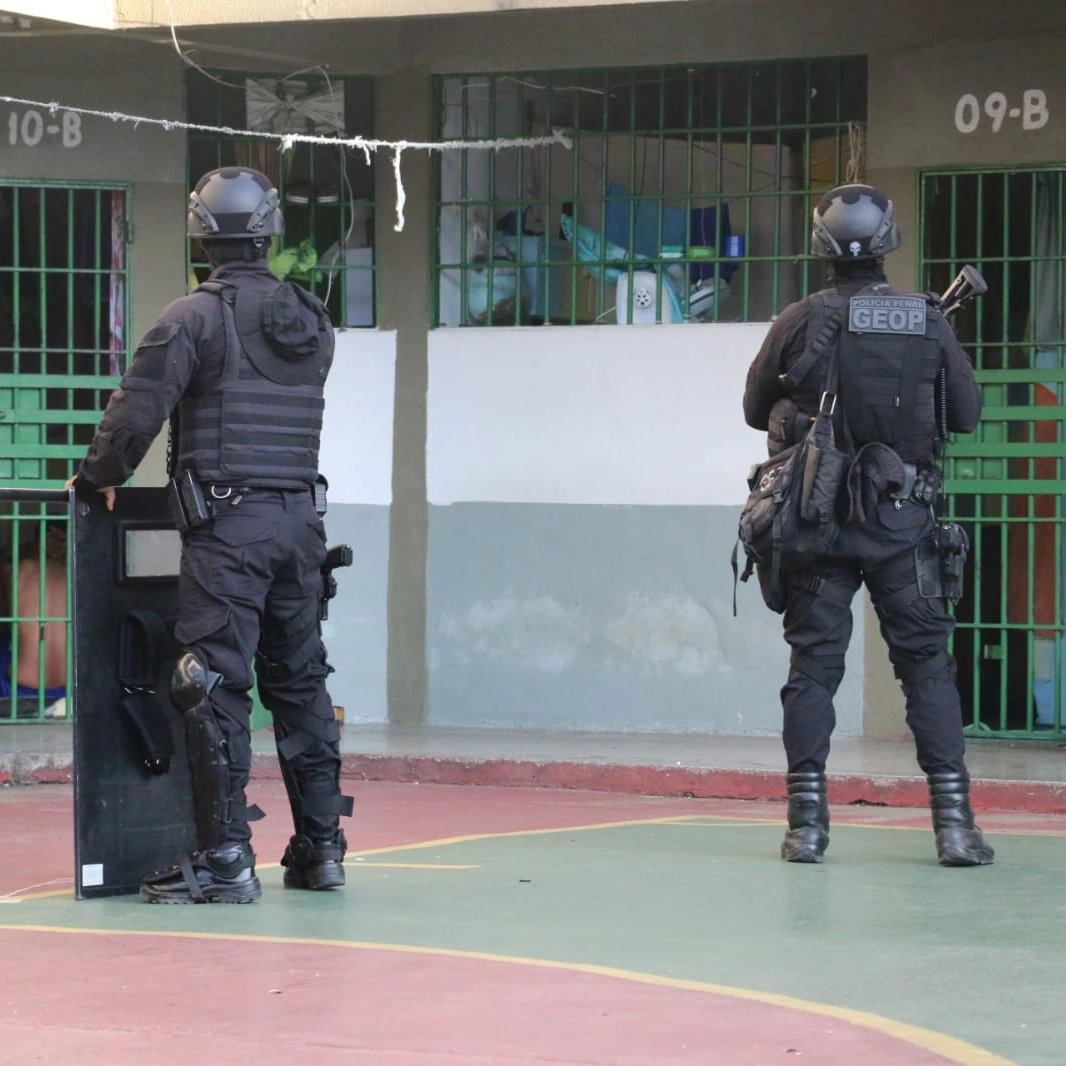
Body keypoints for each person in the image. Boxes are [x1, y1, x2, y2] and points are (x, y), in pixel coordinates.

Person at [68, 166, 352, 903]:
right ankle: (321, 850)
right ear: (270, 232)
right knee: (300, 684)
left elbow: (136, 413)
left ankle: (227, 857)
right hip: (301, 525)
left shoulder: (193, 318)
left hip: (230, 530)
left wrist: (99, 474)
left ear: (201, 234)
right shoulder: (311, 322)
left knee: (211, 685)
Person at [742, 183, 994, 868]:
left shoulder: (798, 319)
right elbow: (968, 416)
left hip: (815, 520)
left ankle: (807, 828)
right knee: (926, 669)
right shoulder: (926, 318)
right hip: (901, 522)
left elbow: (751, 407)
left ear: (821, 249)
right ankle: (955, 828)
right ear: (888, 244)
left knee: (813, 670)